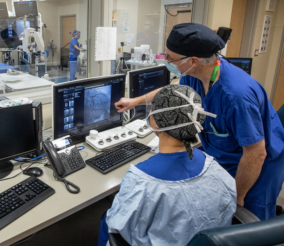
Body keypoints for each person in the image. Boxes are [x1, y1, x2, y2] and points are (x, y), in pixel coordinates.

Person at [115, 23, 284, 220]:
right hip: (228, 155)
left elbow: (256, 153)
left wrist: (238, 196)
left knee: (248, 220)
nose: (167, 61)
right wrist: (135, 102)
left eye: (171, 58)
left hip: (261, 164)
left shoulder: (236, 96)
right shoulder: (194, 75)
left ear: (194, 60)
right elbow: (170, 92)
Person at [98, 85, 237, 246]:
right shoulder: (215, 168)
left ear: (156, 122)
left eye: (151, 110)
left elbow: (119, 226)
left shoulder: (142, 179)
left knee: (106, 221)